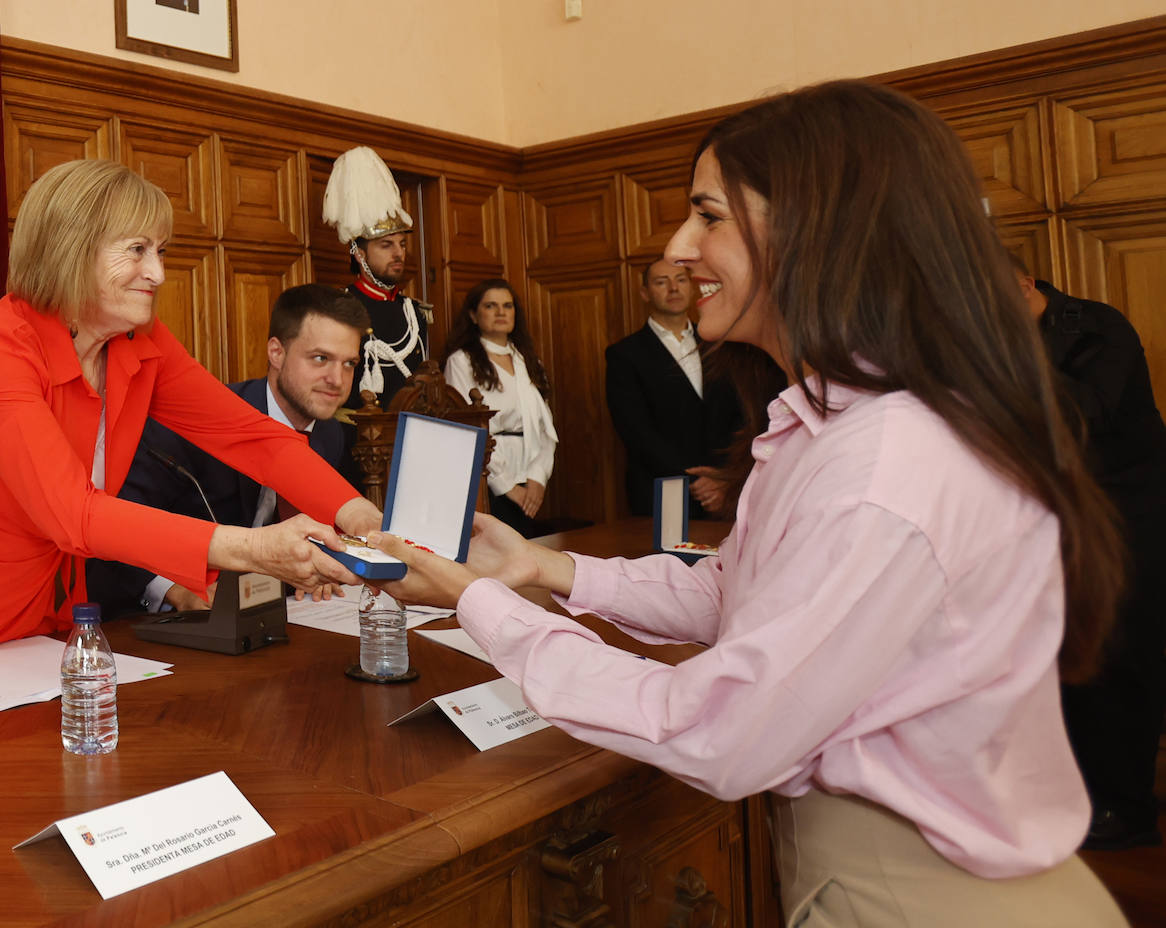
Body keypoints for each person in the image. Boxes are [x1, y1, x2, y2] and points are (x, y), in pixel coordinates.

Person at [369, 81, 1130, 925]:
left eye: (709, 216)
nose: (678, 246)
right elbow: (738, 591)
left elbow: (715, 730)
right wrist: (543, 569)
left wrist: (475, 602)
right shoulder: (830, 423)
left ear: (821, 228)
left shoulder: (891, 465)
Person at [0, 160, 378, 669]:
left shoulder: (141, 342)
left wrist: (359, 516)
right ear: (70, 250)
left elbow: (252, 435)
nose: (158, 273)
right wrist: (253, 549)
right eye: (138, 250)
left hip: (36, 609)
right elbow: (73, 513)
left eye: (160, 251)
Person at [86, 283, 370, 617]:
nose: (337, 379)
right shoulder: (198, 422)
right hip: (175, 619)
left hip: (282, 615)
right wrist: (172, 590)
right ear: (276, 352)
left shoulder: (331, 434)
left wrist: (324, 567)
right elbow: (120, 523)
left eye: (349, 364)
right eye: (321, 358)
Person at [1012, 254, 1166, 850]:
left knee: (1124, 658)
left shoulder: (1100, 327)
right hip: (1058, 516)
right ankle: (1074, 796)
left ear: (1026, 287)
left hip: (1133, 515)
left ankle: (1128, 811)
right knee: (1065, 655)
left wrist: (1008, 355)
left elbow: (1087, 412)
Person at [605, 259, 747, 518]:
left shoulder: (720, 346)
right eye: (661, 282)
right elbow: (635, 430)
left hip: (724, 489)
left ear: (692, 288)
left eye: (681, 280)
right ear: (645, 293)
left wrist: (723, 476)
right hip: (661, 491)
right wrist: (695, 481)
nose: (673, 288)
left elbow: (740, 414)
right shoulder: (624, 355)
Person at [443, 279, 558, 537]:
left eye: (507, 305)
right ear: (474, 315)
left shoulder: (528, 361)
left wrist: (538, 479)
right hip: (488, 478)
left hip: (530, 476)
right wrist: (506, 486)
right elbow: (469, 429)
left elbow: (545, 427)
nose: (501, 312)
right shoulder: (462, 361)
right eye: (491, 306)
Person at [322, 146, 430, 412]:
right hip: (354, 442)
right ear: (359, 254)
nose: (398, 253)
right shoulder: (338, 308)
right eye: (386, 245)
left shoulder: (415, 312)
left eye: (402, 244)